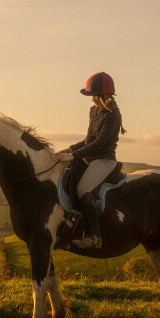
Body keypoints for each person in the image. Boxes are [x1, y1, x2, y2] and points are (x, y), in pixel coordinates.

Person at [57, 72, 126, 249]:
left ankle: (94, 236)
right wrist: (70, 149)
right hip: (89, 158)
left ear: (103, 95)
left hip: (104, 160)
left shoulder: (113, 115)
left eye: (93, 96)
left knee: (83, 189)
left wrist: (74, 155)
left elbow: (100, 143)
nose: (92, 99)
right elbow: (88, 140)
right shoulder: (94, 111)